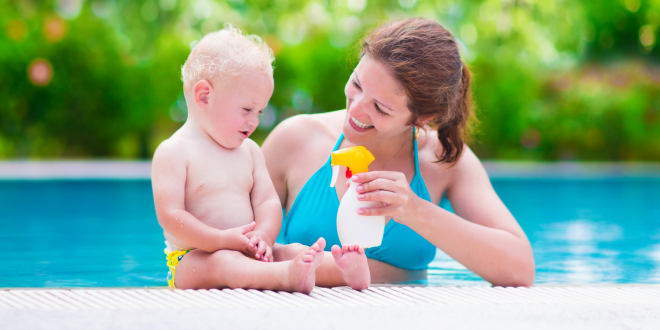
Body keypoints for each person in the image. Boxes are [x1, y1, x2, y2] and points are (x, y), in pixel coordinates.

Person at [263, 18, 535, 289]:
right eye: (357, 84)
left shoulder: (443, 160)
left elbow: (519, 269)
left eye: (380, 108)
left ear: (422, 118)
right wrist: (360, 272)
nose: (355, 111)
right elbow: (233, 251)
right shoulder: (295, 141)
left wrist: (415, 210)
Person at [151, 25, 325, 293]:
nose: (254, 121)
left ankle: (344, 269)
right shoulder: (174, 152)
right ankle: (285, 277)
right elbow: (170, 215)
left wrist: (264, 236)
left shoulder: (250, 151)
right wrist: (220, 240)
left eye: (260, 111)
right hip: (192, 261)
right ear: (204, 96)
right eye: (247, 109)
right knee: (223, 261)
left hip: (248, 250)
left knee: (290, 250)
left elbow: (267, 201)